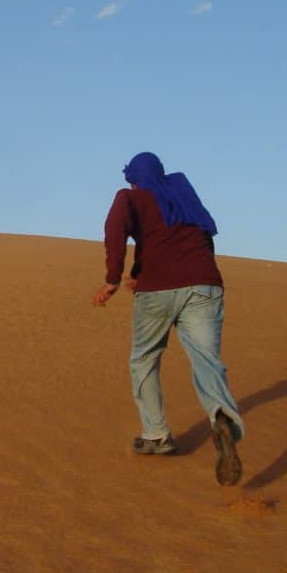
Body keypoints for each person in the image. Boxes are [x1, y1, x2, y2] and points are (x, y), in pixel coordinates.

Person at [91, 152, 244, 486]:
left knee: (144, 358)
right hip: (205, 284)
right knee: (207, 361)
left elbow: (114, 227)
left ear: (135, 177)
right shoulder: (183, 192)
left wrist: (113, 277)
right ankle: (221, 417)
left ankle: (157, 435)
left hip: (158, 291)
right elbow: (205, 237)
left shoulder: (130, 197)